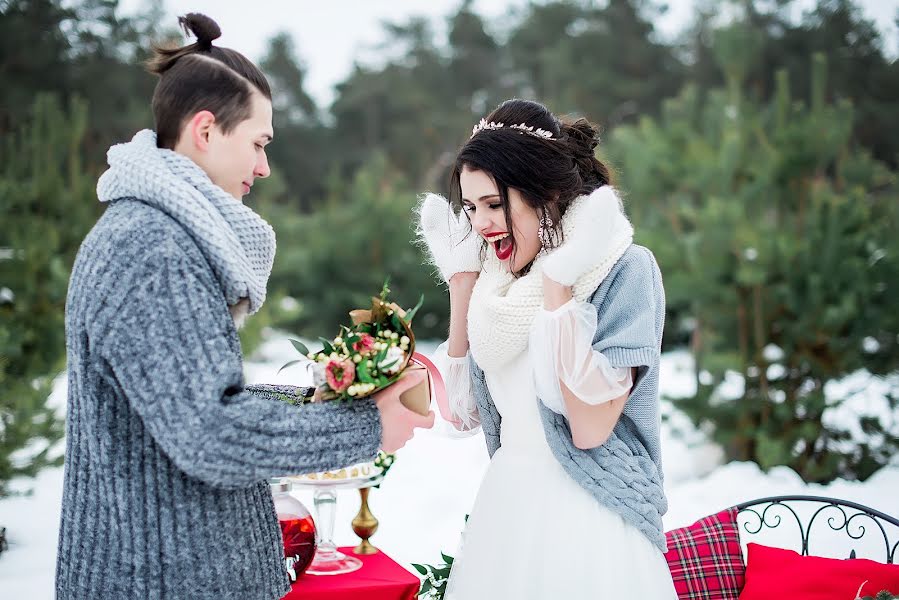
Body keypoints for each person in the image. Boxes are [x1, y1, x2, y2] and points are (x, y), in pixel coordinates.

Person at [56, 14, 433, 600]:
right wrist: (367, 425)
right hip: (161, 582)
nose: (264, 166)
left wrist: (322, 391)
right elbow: (214, 435)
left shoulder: (160, 234)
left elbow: (185, 408)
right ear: (205, 131)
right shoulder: (154, 248)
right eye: (258, 144)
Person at [418, 99, 677, 598]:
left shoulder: (621, 270)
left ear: (547, 195)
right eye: (471, 208)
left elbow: (590, 427)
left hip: (592, 515)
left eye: (494, 204)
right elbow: (464, 414)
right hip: (507, 512)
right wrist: (462, 286)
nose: (481, 224)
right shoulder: (497, 283)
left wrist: (559, 291)